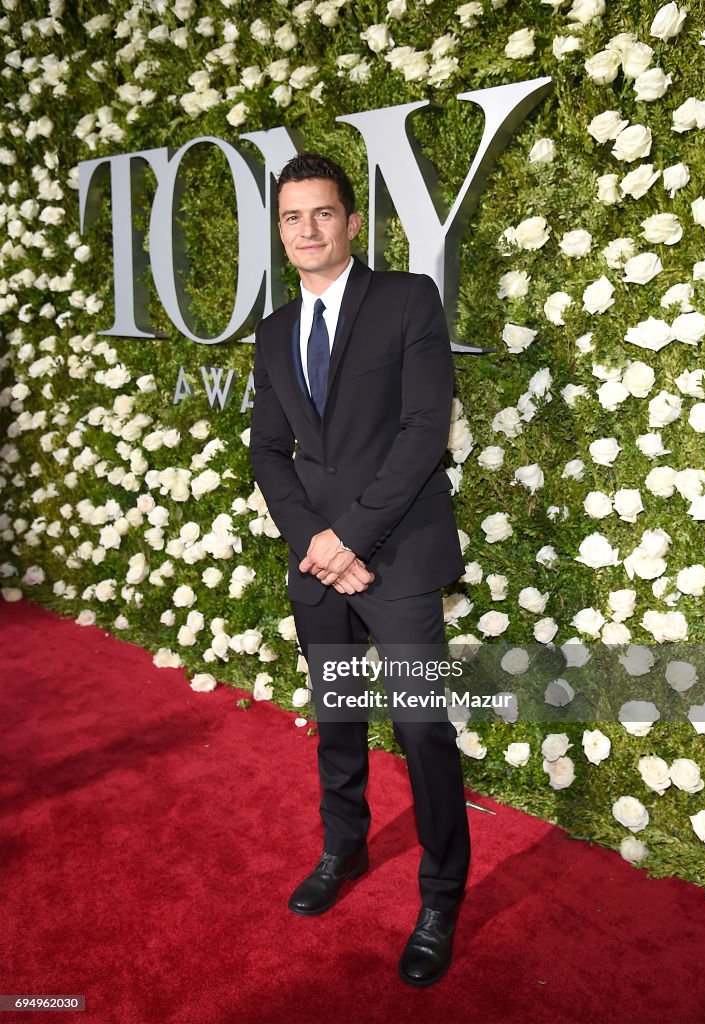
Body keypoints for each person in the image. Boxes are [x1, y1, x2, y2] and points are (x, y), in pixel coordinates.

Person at [249, 152, 471, 988]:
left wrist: (351, 538)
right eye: (291, 217)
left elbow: (423, 431)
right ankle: (342, 848)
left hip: (399, 554)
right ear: (282, 230)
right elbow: (269, 449)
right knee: (338, 720)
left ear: (350, 222)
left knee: (421, 727)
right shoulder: (273, 331)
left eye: (321, 214)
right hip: (319, 562)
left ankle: (442, 893)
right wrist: (316, 540)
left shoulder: (407, 300)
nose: (307, 230)